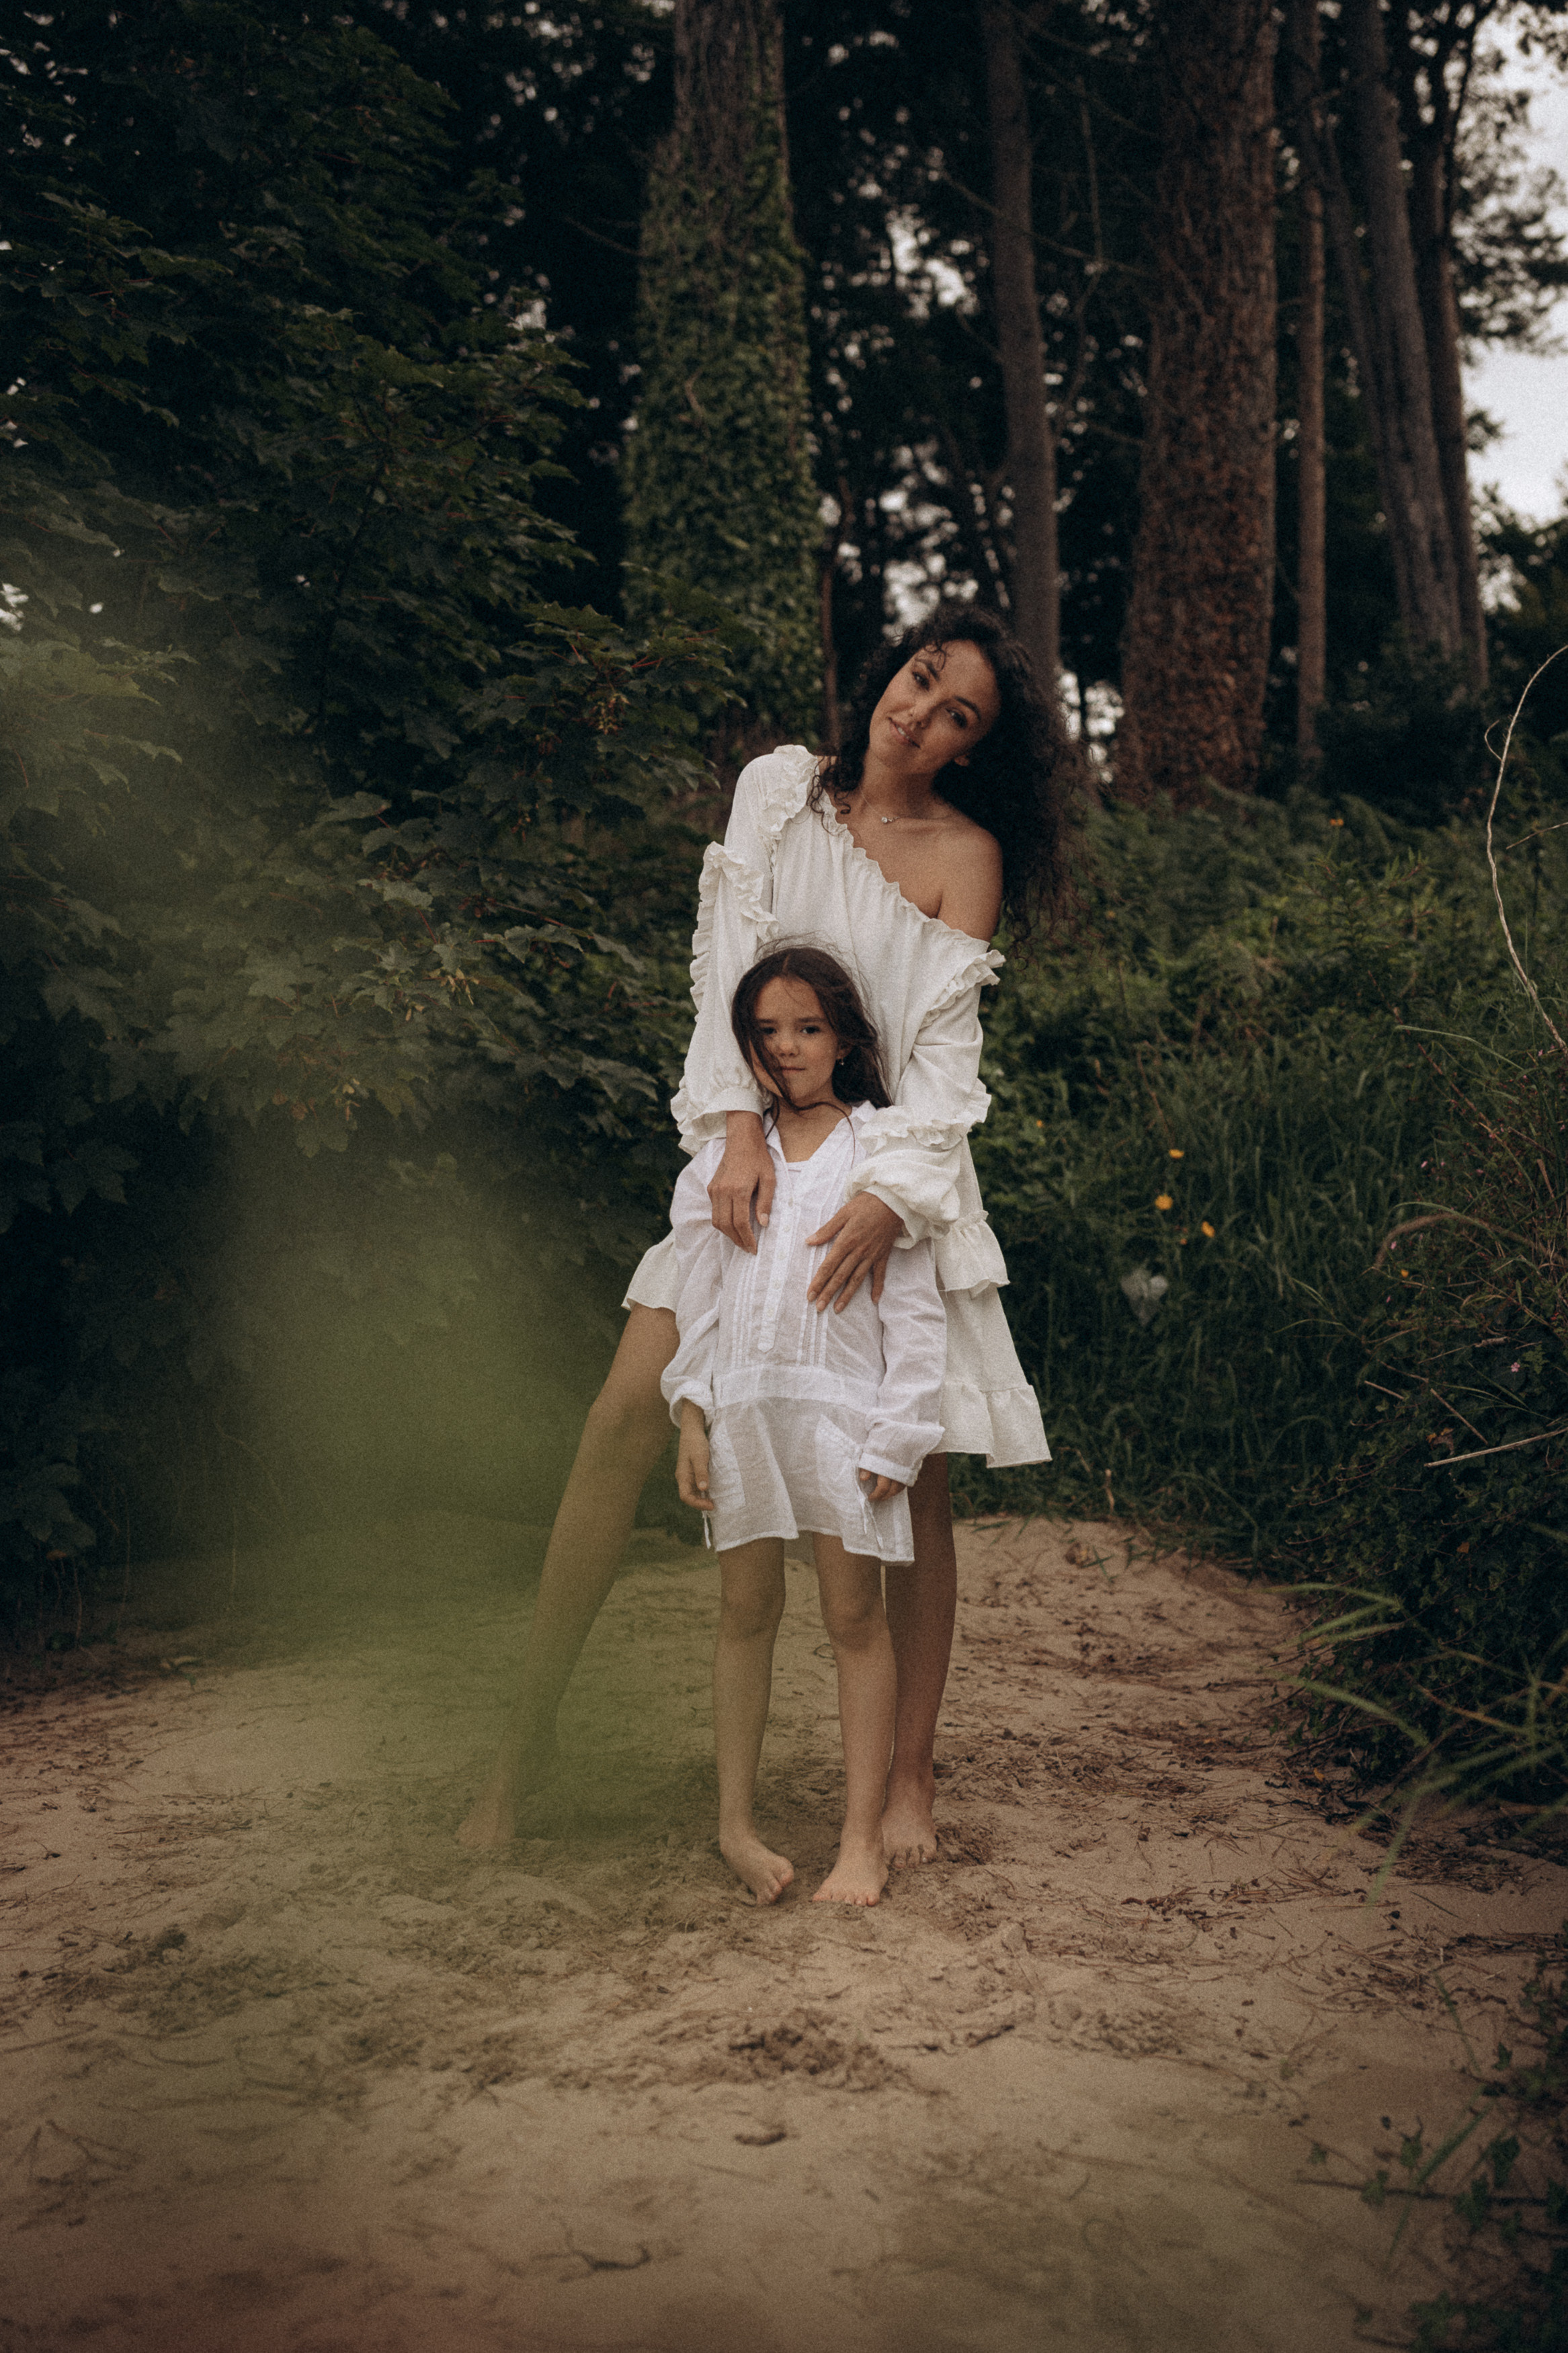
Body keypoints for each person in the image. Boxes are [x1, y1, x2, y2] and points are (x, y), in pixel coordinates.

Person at [458, 601, 1075, 1860]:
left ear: (971, 747)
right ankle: (520, 1756)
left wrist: (889, 1200)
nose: (920, 714)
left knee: (917, 1471)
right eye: (919, 680)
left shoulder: (966, 855)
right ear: (888, 670)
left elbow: (944, 1067)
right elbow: (720, 973)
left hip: (882, 1178)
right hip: (744, 1165)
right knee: (622, 1417)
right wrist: (735, 1128)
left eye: (957, 713)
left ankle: (908, 1778)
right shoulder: (776, 791)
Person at [667, 946, 947, 1907]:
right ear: (743, 1046)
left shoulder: (883, 1156)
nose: (786, 1049)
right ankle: (735, 1827)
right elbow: (697, 1307)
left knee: (851, 1618)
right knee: (744, 1614)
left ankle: (859, 1839)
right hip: (743, 1410)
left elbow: (914, 1316)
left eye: (808, 1028)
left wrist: (896, 1436)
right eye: (766, 1031)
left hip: (839, 1418)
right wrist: (691, 1416)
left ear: (845, 1039)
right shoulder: (717, 1165)